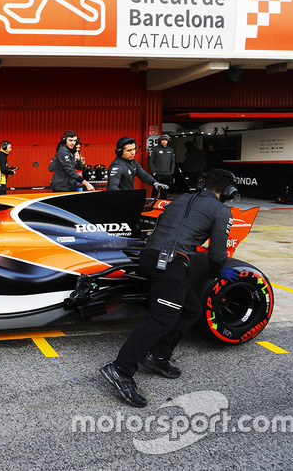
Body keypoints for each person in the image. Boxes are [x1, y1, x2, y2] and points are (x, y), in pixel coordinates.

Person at [100, 169, 240, 408]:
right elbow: (217, 255)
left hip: (149, 257)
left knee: (191, 309)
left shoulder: (181, 198)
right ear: (228, 192)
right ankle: (121, 369)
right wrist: (219, 272)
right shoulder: (221, 210)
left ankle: (158, 355)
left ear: (201, 183)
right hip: (171, 263)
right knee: (162, 318)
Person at [148, 134, 175, 199]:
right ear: (160, 140)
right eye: (163, 139)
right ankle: (153, 204)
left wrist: (171, 172)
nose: (164, 141)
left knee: (164, 192)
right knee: (155, 191)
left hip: (167, 174)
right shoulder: (155, 149)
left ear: (168, 141)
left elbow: (173, 162)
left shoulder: (171, 150)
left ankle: (162, 205)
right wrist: (154, 173)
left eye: (166, 140)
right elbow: (150, 161)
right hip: (158, 174)